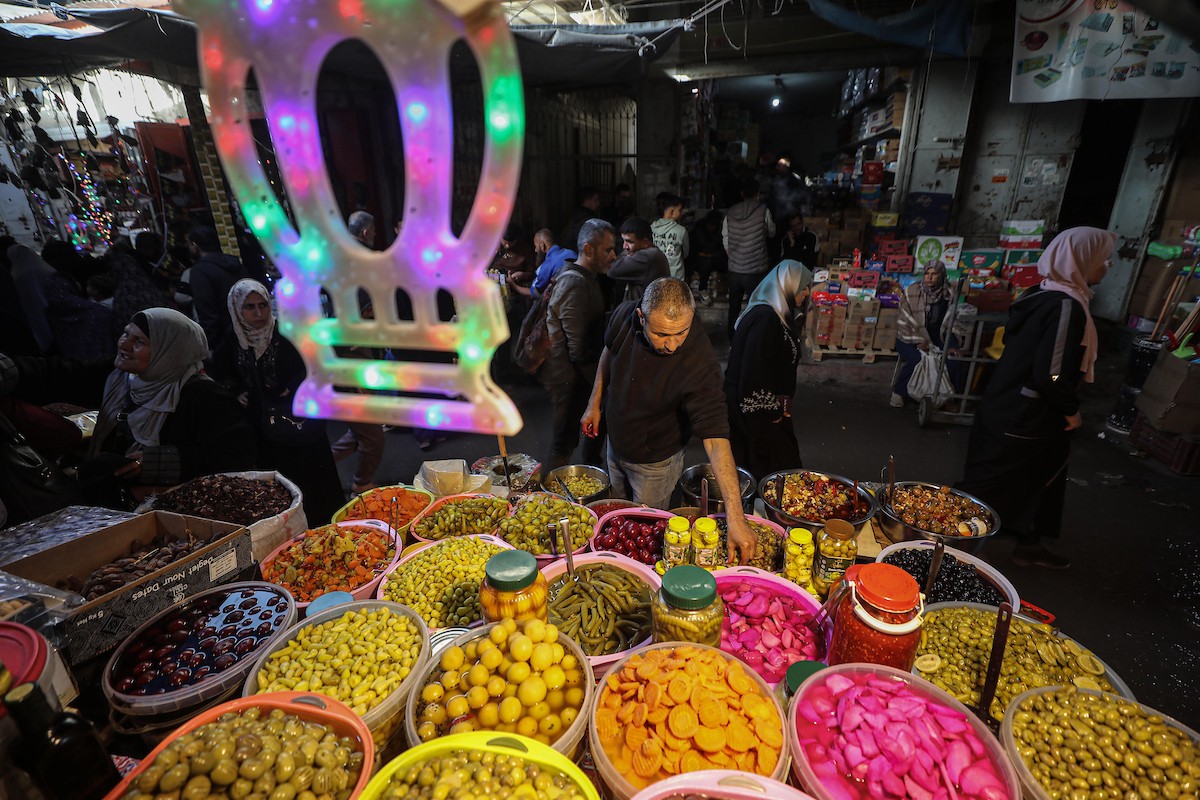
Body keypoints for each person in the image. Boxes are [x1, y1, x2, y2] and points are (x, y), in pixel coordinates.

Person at [958, 227, 1117, 570]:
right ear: (1082, 260)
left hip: (1013, 407)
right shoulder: (1065, 307)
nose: (1109, 266)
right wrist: (1070, 409)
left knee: (1042, 476)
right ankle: (959, 547)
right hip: (1024, 414)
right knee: (990, 484)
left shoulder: (1042, 294)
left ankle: (1028, 543)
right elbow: (1052, 373)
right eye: (1105, 259)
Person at [581, 278, 757, 564]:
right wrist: (594, 402)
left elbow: (715, 439)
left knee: (644, 535)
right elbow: (609, 351)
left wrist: (735, 517)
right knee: (618, 522)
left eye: (681, 333)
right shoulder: (624, 315)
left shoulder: (698, 362)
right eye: (662, 334)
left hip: (655, 464)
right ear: (641, 317)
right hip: (616, 444)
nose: (672, 345)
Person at [4, 308, 256, 507]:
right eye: (126, 334)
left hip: (168, 509)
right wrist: (10, 370)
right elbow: (59, 374)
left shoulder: (202, 395)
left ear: (168, 351)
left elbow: (238, 457)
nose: (124, 344)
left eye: (139, 341)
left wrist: (160, 462)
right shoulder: (120, 377)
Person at [225, 279, 346, 523]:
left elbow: (314, 366)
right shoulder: (232, 340)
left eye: (263, 305)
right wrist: (237, 391)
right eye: (249, 307)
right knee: (282, 484)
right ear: (237, 308)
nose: (259, 314)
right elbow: (225, 373)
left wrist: (294, 386)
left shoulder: (286, 334)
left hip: (299, 422)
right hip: (262, 428)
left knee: (314, 482)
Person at [724, 260, 812, 479]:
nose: (807, 292)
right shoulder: (765, 318)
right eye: (802, 287)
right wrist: (771, 414)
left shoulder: (777, 314)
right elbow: (753, 374)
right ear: (785, 287)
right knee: (773, 472)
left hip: (769, 411)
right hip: (758, 414)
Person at [541, 219, 615, 470]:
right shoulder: (574, 283)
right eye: (608, 250)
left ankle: (591, 483)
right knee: (563, 444)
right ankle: (546, 500)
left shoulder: (587, 277)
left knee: (593, 436)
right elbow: (578, 349)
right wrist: (600, 388)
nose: (614, 256)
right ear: (588, 249)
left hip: (581, 376)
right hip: (569, 379)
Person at [331, 213, 389, 486]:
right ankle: (361, 484)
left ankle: (319, 463)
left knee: (361, 429)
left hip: (354, 355)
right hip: (350, 360)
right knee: (373, 434)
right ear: (366, 232)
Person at [892, 260, 965, 407]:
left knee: (953, 361)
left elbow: (953, 322)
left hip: (938, 338)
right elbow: (903, 321)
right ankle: (899, 392)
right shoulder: (911, 292)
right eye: (927, 274)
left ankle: (950, 398)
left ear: (942, 276)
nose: (929, 277)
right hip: (909, 338)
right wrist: (918, 341)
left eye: (934, 274)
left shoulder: (949, 295)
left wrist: (952, 344)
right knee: (917, 359)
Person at [723, 177, 776, 337]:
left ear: (741, 193)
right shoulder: (763, 211)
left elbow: (725, 239)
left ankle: (732, 338)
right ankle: (752, 337)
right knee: (755, 306)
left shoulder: (730, 213)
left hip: (734, 270)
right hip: (755, 270)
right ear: (758, 194)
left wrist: (734, 258)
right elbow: (772, 232)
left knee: (734, 306)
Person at [187, 225, 250, 357]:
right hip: (248, 330)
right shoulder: (235, 263)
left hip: (226, 341)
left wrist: (211, 345)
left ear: (195, 245)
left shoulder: (200, 271)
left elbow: (207, 312)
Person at [609, 216, 669, 303]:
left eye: (629, 241)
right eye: (624, 241)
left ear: (645, 243)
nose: (624, 246)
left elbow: (612, 269)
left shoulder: (647, 256)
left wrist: (625, 254)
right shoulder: (651, 253)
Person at [687, 210, 725, 306]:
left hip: (714, 257)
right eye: (710, 225)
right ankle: (701, 289)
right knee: (704, 262)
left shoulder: (720, 230)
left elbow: (721, 248)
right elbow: (693, 247)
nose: (711, 227)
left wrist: (711, 255)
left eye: (713, 226)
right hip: (697, 258)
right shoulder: (699, 229)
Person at [528, 229, 576, 300]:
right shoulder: (572, 253)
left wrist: (514, 286)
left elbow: (534, 293)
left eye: (536, 246)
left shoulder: (547, 265)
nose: (535, 250)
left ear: (542, 245)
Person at [651, 194, 689, 282]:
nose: (681, 212)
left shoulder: (651, 228)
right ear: (672, 212)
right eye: (680, 210)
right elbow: (685, 254)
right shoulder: (681, 231)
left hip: (655, 277)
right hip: (676, 277)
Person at [560, 187, 601, 258]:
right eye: (595, 200)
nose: (598, 203)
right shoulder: (588, 220)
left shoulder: (575, 215)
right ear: (587, 200)